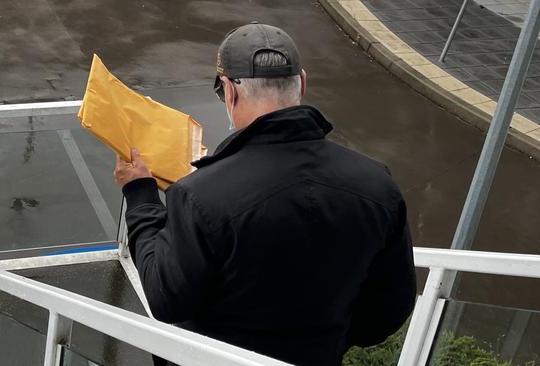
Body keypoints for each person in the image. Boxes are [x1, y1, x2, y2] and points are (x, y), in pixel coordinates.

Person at [114, 22, 416, 366]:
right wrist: (327, 338)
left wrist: (140, 193)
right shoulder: (377, 184)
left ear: (230, 91)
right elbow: (392, 306)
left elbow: (165, 298)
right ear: (301, 82)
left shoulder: (201, 195)